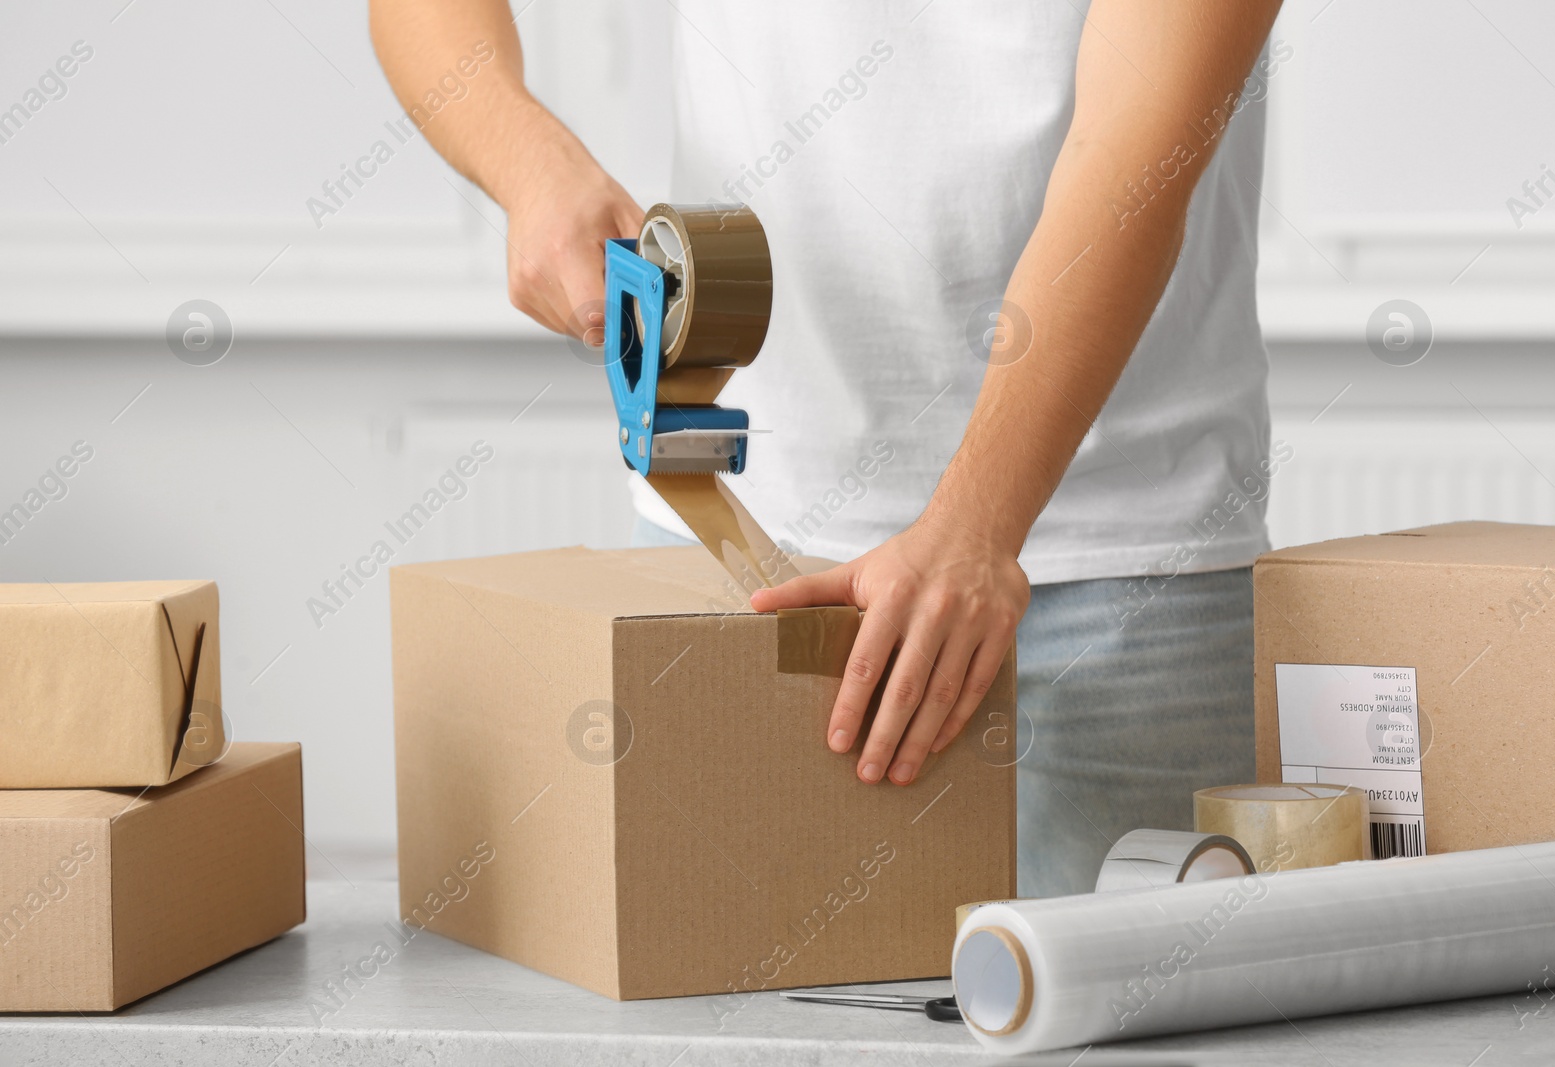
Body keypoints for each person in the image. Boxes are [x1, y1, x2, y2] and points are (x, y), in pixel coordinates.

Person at [371, 0, 1286, 895]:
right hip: (739, 545)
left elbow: (1139, 155)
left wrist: (976, 524)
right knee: (718, 1031)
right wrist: (527, 164)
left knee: (1122, 1031)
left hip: (1123, 568)